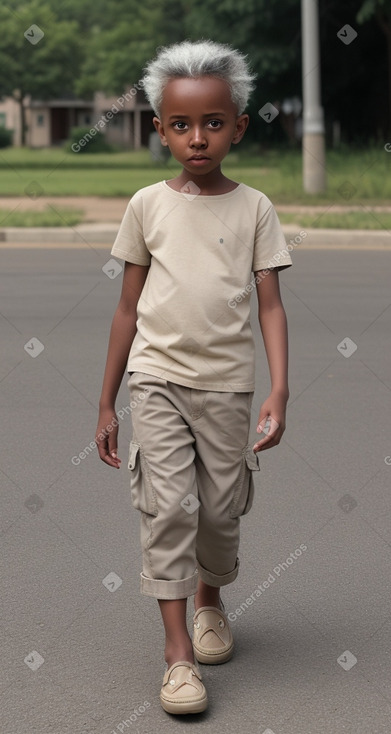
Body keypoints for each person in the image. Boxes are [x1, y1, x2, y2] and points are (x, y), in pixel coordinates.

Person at [95, 39, 292, 715]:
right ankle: (178, 655)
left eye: (212, 122)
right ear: (159, 129)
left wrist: (278, 388)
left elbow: (270, 304)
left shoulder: (254, 209)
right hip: (154, 380)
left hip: (228, 387)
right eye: (180, 125)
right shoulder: (147, 205)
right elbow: (126, 308)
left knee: (219, 511)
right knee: (169, 507)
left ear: (238, 125)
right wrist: (106, 402)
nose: (197, 138)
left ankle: (211, 598)